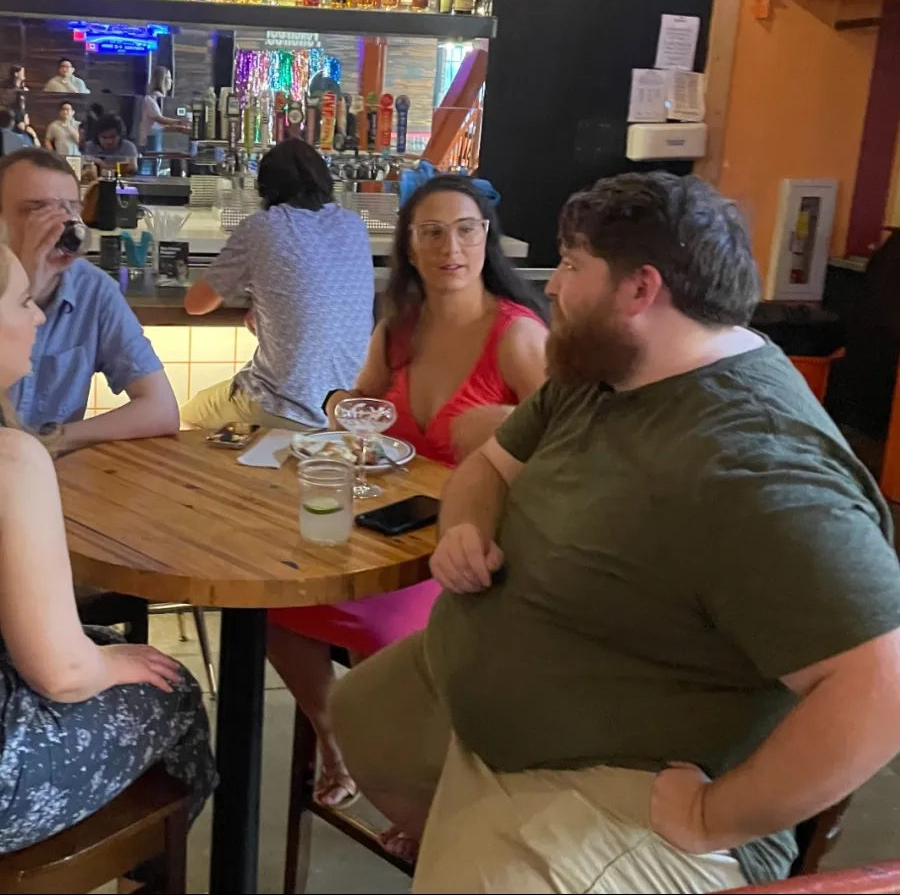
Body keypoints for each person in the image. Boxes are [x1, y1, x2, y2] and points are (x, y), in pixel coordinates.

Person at [330, 172, 900, 894]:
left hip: (622, 781)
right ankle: (451, 833)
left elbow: (881, 687)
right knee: (359, 710)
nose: (555, 288)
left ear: (640, 290)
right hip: (489, 702)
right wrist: (465, 526)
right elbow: (491, 467)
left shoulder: (754, 465)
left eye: (571, 266)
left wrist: (713, 816)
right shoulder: (602, 368)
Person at [266, 174, 547, 824]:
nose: (452, 245)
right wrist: (343, 409)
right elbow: (355, 396)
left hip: (465, 549)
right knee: (276, 610)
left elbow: (569, 446)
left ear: (487, 239)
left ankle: (413, 791)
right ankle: (338, 743)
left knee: (381, 632)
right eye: (432, 232)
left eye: (466, 229)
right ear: (411, 249)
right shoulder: (401, 327)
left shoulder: (517, 336)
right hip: (387, 524)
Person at [0, 243, 216, 862]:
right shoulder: (15, 460)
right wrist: (110, 664)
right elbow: (61, 674)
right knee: (170, 685)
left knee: (99, 641)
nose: (38, 317)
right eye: (20, 302)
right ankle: (151, 869)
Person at [181, 139, 374, 430]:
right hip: (344, 409)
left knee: (188, 413)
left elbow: (196, 305)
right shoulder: (353, 224)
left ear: (265, 187)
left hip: (284, 404)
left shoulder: (261, 227)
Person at [0, 148, 179, 450]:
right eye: (36, 209)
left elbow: (161, 408)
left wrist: (54, 440)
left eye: (70, 208)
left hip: (52, 477)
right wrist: (25, 284)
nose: (58, 225)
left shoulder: (93, 289)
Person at [139, 66, 188, 152]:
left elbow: (160, 127)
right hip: (148, 141)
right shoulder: (149, 99)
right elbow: (159, 119)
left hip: (157, 139)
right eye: (169, 78)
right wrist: (180, 122)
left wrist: (179, 128)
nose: (171, 81)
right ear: (162, 79)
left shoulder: (162, 100)